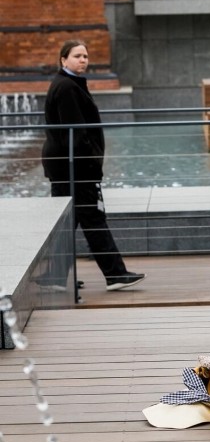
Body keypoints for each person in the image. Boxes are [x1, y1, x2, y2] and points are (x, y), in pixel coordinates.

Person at [41, 40, 145, 292]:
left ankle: (55, 277)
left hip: (67, 168)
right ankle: (115, 274)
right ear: (63, 59)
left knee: (75, 222)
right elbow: (75, 133)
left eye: (86, 56)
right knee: (93, 219)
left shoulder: (69, 84)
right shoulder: (66, 87)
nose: (83, 60)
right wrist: (91, 163)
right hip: (74, 169)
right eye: (77, 56)